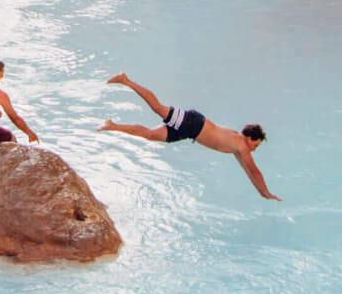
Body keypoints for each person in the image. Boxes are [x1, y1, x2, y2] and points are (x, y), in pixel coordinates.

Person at [98, 73, 281, 200]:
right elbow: (255, 171)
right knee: (158, 108)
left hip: (190, 131)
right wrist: (266, 192)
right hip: (194, 124)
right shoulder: (241, 145)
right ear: (249, 138)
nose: (254, 148)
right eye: (255, 145)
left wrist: (261, 192)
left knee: (151, 135)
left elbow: (247, 171)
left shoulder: (238, 148)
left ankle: (112, 125)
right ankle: (126, 80)